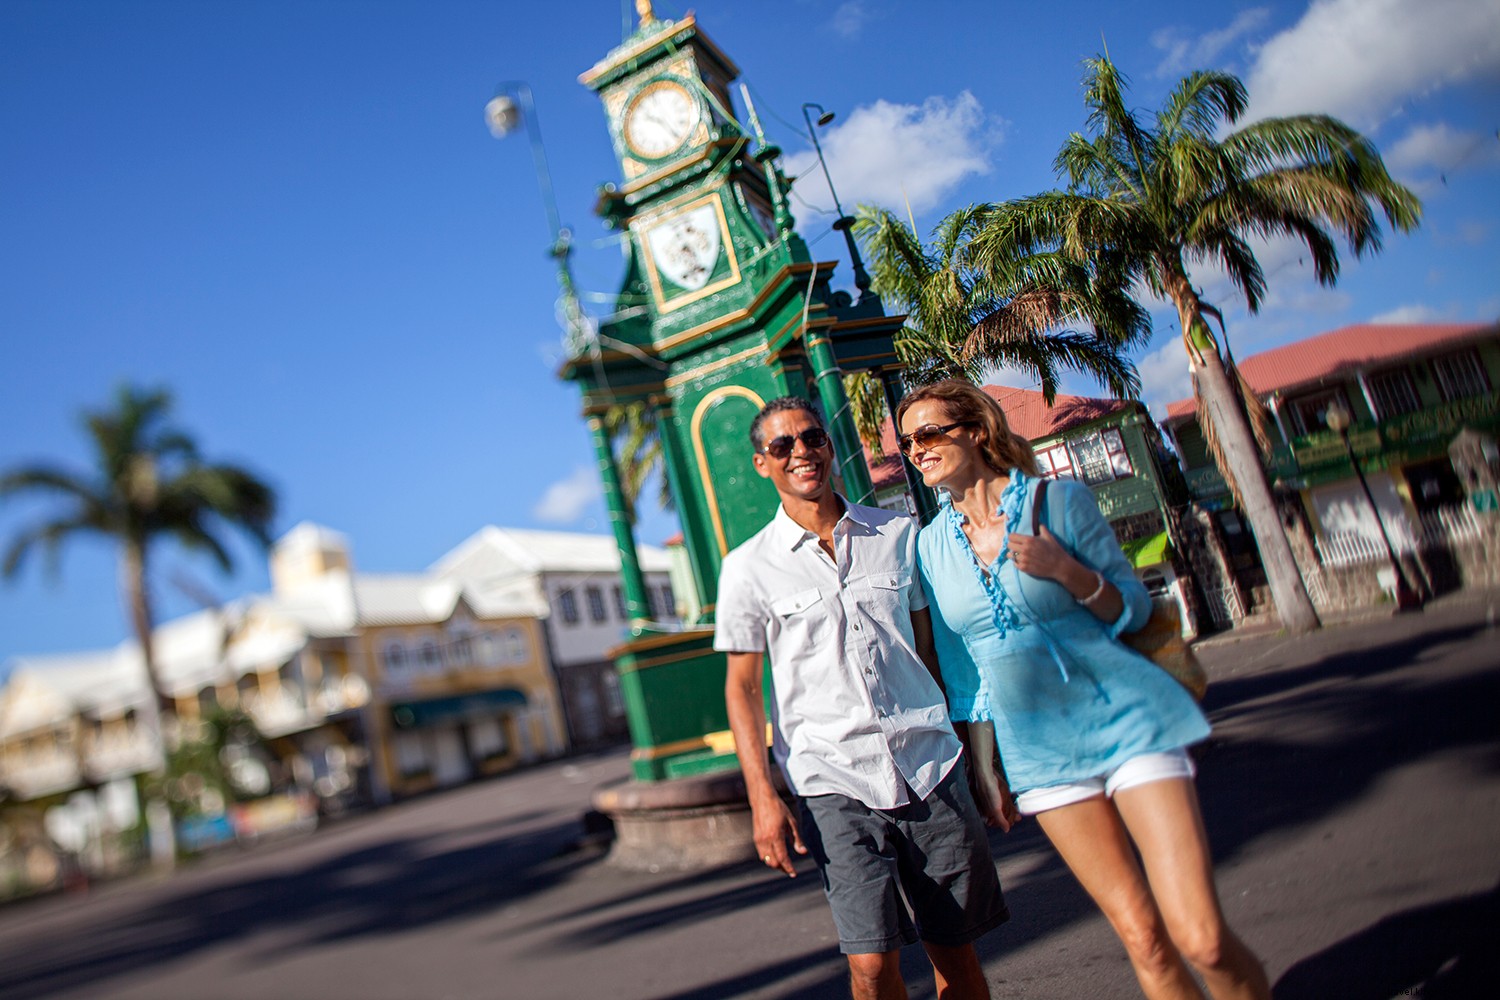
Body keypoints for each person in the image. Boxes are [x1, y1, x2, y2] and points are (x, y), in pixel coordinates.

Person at [896, 379, 1271, 1000]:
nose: (917, 449)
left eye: (930, 433)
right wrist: (987, 767)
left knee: (1200, 936)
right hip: (1040, 752)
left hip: (1128, 721)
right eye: (909, 442)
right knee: (1144, 940)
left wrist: (1066, 572)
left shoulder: (1059, 502)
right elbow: (968, 672)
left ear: (977, 431)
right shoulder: (930, 547)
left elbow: (1130, 610)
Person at [717, 396, 1009, 1000]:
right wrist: (761, 797)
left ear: (828, 445)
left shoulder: (897, 534)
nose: (801, 452)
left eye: (812, 438)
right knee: (871, 966)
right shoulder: (747, 569)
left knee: (955, 951)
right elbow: (743, 690)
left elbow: (934, 656)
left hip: (929, 765)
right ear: (760, 464)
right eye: (783, 446)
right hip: (832, 781)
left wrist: (980, 762)